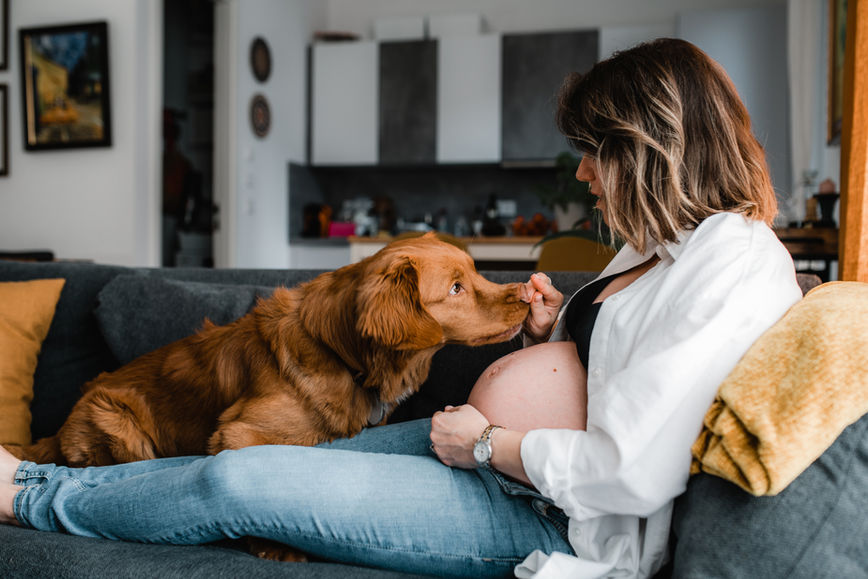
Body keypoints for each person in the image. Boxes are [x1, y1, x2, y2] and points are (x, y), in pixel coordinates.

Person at [0, 38, 802, 578]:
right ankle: (39, 471)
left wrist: (490, 443)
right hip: (495, 460)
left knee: (238, 486)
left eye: (594, 155)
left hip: (547, 510)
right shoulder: (659, 248)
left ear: (647, 144)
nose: (585, 177)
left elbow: (630, 466)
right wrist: (560, 323)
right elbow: (622, 369)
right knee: (241, 464)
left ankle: (28, 494)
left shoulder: (735, 258)